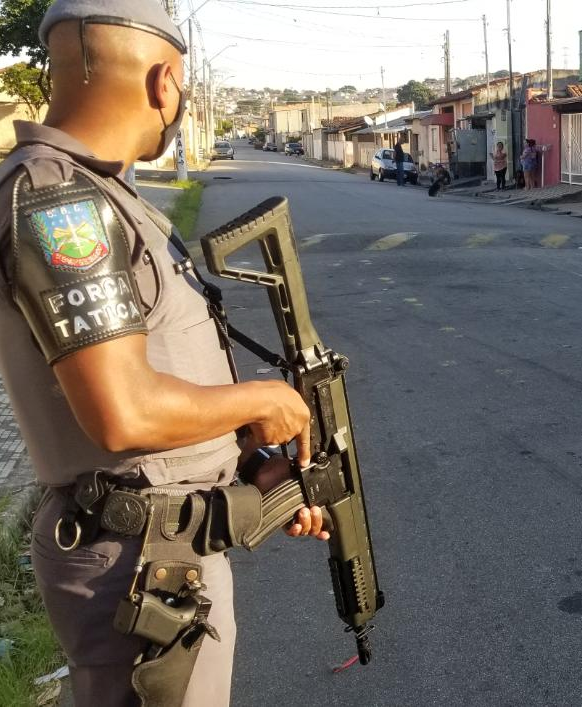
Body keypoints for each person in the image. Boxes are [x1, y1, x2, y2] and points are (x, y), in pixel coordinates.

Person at [0, 2, 328, 705]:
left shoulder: (107, 196)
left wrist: (251, 463)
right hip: (138, 571)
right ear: (166, 83)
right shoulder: (60, 204)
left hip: (165, 553)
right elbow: (123, 412)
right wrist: (264, 400)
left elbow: (164, 376)